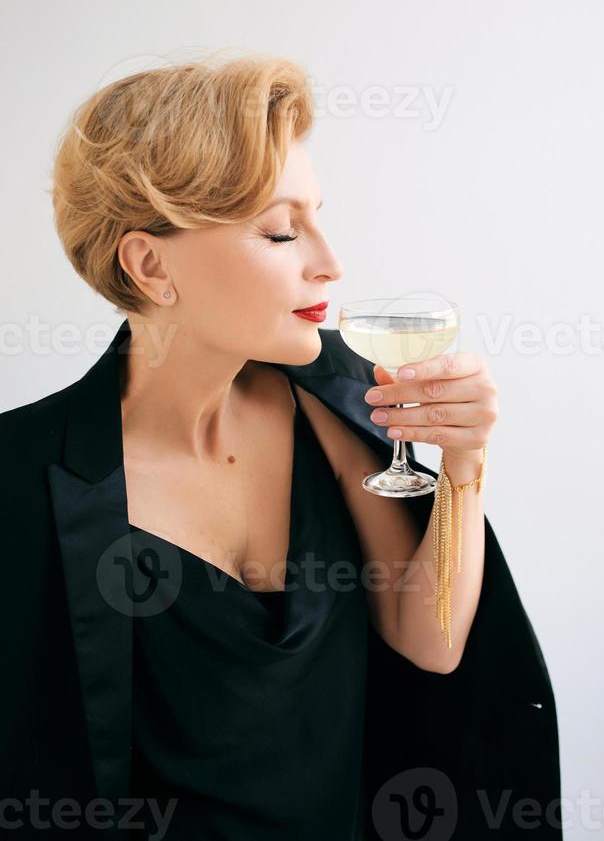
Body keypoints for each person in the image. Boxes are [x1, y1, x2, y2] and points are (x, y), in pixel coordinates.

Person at [0, 52, 563, 840]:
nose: (330, 264)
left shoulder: (335, 398)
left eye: (318, 217)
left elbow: (430, 644)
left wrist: (463, 464)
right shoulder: (22, 477)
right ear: (150, 263)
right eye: (279, 232)